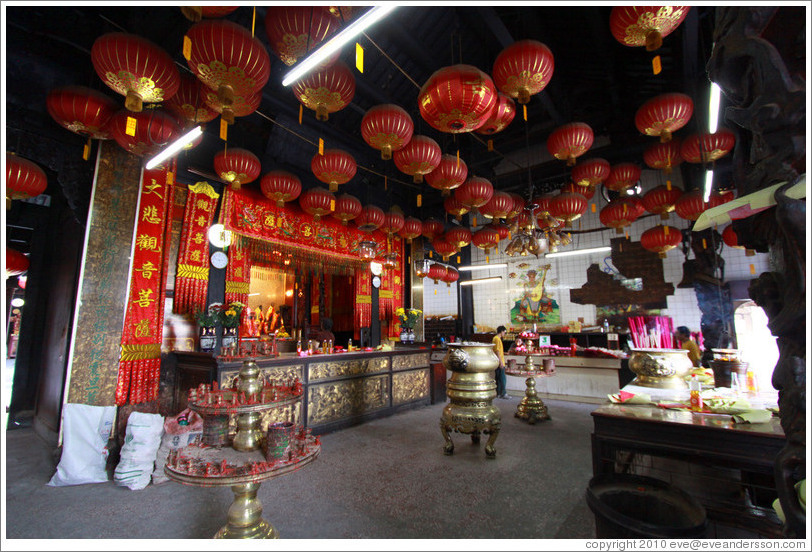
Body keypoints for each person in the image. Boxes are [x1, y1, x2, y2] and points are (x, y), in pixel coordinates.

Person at [492, 325, 508, 399]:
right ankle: (503, 393)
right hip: (499, 362)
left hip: (497, 361)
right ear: (501, 331)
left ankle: (498, 393)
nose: (504, 334)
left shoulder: (496, 338)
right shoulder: (497, 339)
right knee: (502, 378)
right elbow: (497, 351)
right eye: (504, 332)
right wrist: (500, 362)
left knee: (498, 378)